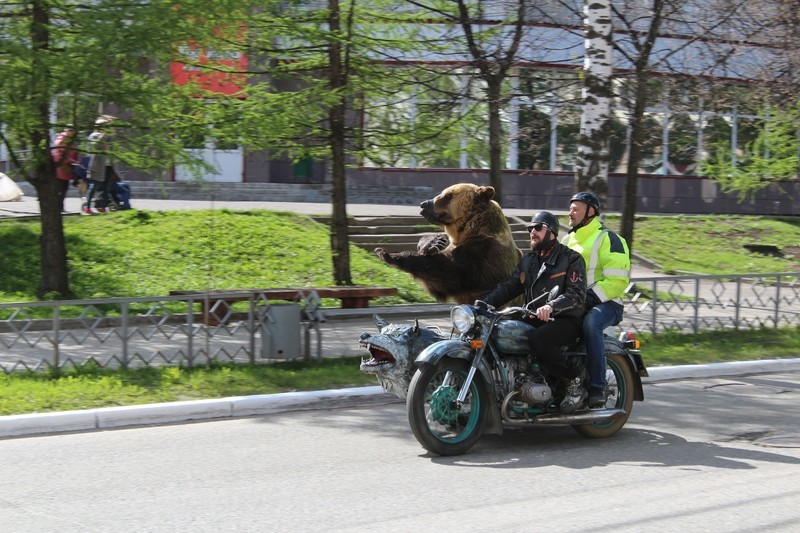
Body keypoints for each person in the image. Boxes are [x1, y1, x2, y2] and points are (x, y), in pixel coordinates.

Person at [481, 211, 588, 413]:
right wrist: (481, 305)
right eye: (530, 228)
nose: (533, 232)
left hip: (567, 319)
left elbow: (576, 295)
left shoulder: (571, 259)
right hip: (535, 316)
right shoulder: (528, 262)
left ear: (552, 232)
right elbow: (508, 287)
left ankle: (574, 382)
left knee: (540, 338)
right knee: (499, 329)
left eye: (538, 228)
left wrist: (552, 306)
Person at [562, 191, 631, 409]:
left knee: (591, 323)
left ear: (591, 212)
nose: (570, 212)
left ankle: (597, 388)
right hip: (575, 302)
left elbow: (618, 280)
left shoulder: (609, 238)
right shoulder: (566, 239)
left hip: (607, 303)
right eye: (570, 208)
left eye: (576, 208)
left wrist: (589, 298)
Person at [85, 115, 117, 215]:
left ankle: (102, 206)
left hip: (104, 164)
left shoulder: (106, 136)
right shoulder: (94, 135)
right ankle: (87, 207)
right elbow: (96, 145)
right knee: (94, 186)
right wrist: (105, 135)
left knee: (102, 186)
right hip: (95, 164)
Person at [51, 128, 80, 212]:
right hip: (61, 166)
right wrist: (72, 161)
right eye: (71, 131)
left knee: (64, 188)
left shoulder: (72, 141)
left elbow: (76, 152)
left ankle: (60, 207)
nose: (73, 133)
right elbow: (59, 154)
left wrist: (77, 160)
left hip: (69, 166)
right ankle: (57, 207)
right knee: (60, 188)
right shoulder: (62, 139)